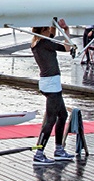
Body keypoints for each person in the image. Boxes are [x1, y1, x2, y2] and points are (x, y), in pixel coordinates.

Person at [30, 20, 75, 164]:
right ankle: (39, 153)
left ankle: (59, 150)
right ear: (43, 29)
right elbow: (67, 48)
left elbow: (52, 34)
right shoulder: (45, 43)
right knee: (51, 119)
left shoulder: (36, 42)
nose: (50, 31)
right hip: (51, 84)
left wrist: (54, 23)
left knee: (63, 115)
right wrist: (66, 30)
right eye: (48, 28)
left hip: (49, 82)